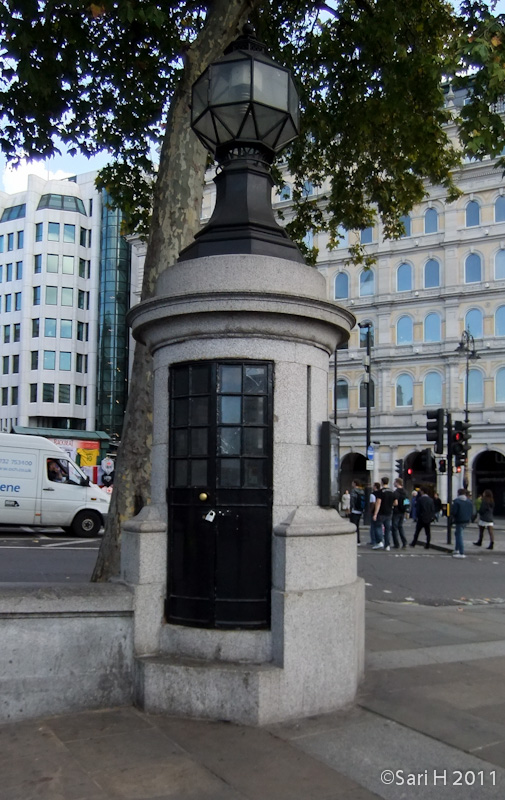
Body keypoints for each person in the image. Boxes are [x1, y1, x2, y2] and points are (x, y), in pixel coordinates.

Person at [373, 476, 395, 551]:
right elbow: (396, 503)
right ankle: (387, 545)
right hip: (389, 512)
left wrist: (375, 514)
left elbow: (378, 503)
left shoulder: (381, 492)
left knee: (378, 527)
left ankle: (379, 541)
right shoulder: (392, 491)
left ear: (382, 482)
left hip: (381, 512)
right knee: (387, 529)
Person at [451, 488, 474, 558]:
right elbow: (471, 511)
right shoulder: (469, 501)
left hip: (459, 520)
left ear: (458, 493)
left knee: (459, 535)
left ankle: (461, 552)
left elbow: (454, 512)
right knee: (458, 533)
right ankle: (456, 549)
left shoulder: (457, 501)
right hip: (466, 520)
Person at [392, 477, 408, 548]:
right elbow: (406, 502)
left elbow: (395, 503)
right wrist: (406, 510)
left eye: (395, 482)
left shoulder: (396, 492)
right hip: (403, 511)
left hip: (396, 511)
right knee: (400, 527)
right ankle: (404, 542)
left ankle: (396, 544)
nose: (394, 483)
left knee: (394, 527)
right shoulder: (405, 492)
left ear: (397, 483)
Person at [349, 480, 365, 545]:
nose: (352, 484)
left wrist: (350, 508)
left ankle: (354, 539)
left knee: (353, 525)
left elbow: (352, 500)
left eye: (352, 483)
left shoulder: (354, 491)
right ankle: (358, 540)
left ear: (355, 484)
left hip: (354, 510)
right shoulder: (362, 491)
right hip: (360, 510)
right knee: (357, 526)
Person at [369, 482, 383, 547]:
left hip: (374, 512)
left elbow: (373, 503)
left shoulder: (373, 494)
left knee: (373, 527)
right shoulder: (381, 493)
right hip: (381, 511)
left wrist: (370, 511)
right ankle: (380, 540)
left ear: (375, 487)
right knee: (379, 526)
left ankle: (374, 541)